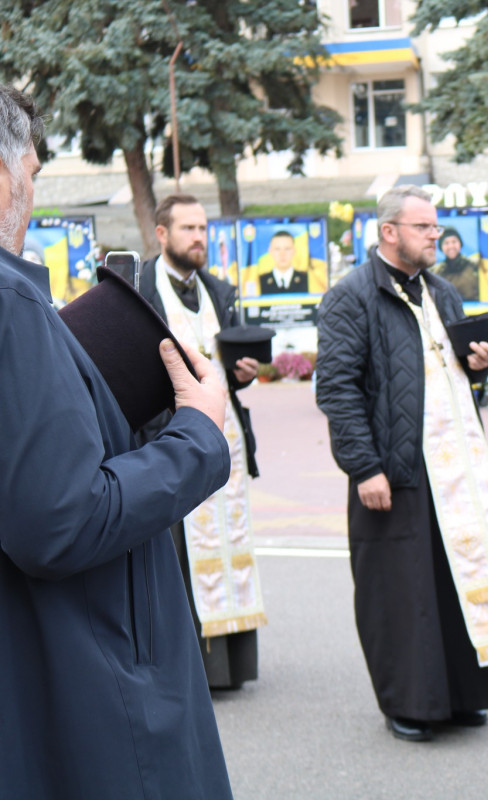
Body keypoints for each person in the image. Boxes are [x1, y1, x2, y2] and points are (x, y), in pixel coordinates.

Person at [0, 84, 235, 798]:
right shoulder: (10, 304)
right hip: (79, 687)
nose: (31, 197)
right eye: (33, 174)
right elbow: (59, 520)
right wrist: (196, 432)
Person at [316, 185, 488, 743]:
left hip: (455, 470)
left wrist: (480, 366)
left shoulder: (443, 291)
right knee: (400, 592)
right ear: (389, 232)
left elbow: (456, 378)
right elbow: (337, 389)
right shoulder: (351, 297)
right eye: (423, 228)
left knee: (456, 580)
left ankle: (464, 695)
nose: (435, 236)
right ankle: (408, 703)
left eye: (436, 227)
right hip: (394, 470)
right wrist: (364, 467)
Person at [135, 193, 268, 689]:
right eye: (188, 228)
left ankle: (230, 669)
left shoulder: (218, 290)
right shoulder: (137, 290)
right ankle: (187, 668)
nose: (199, 237)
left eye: (204, 228)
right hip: (166, 438)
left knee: (229, 545)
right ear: (162, 234)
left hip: (224, 437)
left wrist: (244, 373)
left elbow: (228, 367)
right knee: (178, 554)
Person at [432, 226, 479, 301]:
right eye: (446, 243)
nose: (451, 246)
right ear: (441, 247)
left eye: (454, 242)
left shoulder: (475, 266)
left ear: (460, 244)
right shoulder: (436, 272)